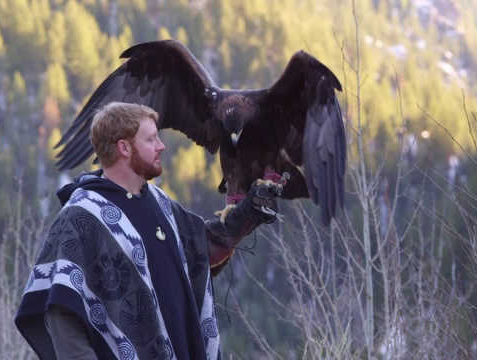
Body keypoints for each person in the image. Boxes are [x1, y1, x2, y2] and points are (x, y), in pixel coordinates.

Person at [15, 102, 281, 359]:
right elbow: (62, 309)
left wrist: (246, 216)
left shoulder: (159, 202)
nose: (161, 146)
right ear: (124, 148)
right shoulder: (81, 218)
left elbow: (199, 252)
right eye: (151, 139)